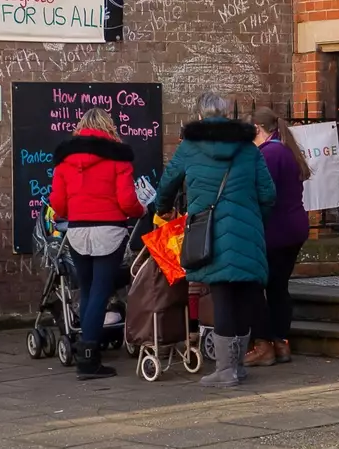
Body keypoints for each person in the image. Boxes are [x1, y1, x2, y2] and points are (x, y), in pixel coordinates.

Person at [155, 92, 275, 387]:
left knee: (221, 295)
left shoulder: (190, 147)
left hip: (208, 231)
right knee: (245, 295)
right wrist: (252, 218)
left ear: (199, 116)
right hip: (247, 231)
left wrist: (162, 210)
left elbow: (167, 184)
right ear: (226, 114)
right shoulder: (248, 148)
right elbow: (268, 194)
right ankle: (238, 365)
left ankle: (225, 370)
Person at [50, 108, 147, 380]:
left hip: (78, 230)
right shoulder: (118, 156)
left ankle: (86, 353)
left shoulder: (65, 159)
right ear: (108, 126)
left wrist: (65, 214)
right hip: (110, 229)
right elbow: (127, 200)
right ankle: (88, 359)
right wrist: (139, 211)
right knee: (101, 292)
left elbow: (57, 202)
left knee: (87, 289)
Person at [245, 106, 311, 367]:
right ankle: (281, 342)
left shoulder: (267, 155)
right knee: (278, 287)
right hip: (294, 228)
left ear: (258, 129)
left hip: (274, 231)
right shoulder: (286, 150)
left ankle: (263, 345)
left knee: (254, 287)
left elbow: (263, 195)